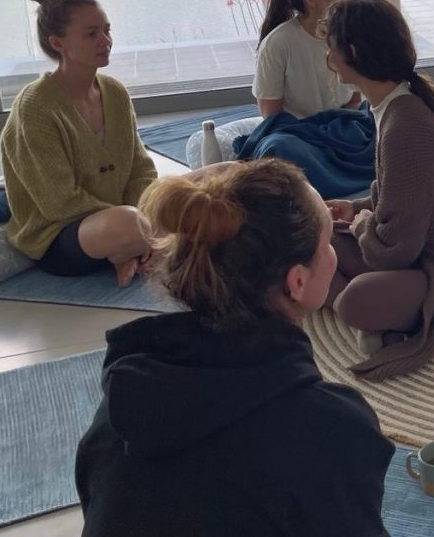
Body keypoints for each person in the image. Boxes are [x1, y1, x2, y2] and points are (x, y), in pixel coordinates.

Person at [76, 160, 393, 537]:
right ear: (297, 281)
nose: (333, 250)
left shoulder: (122, 406)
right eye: (327, 241)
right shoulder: (332, 427)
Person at [322, 0, 434, 380]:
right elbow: (407, 198)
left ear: (354, 51)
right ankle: (386, 317)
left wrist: (361, 222)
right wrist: (356, 207)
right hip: (413, 252)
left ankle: (376, 313)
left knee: (354, 301)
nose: (327, 58)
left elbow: (395, 250)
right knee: (317, 235)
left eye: (331, 48)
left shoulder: (405, 124)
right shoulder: (392, 106)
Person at [1, 0, 156, 286]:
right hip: (61, 235)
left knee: (202, 191)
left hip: (122, 219)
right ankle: (135, 246)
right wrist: (141, 223)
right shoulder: (35, 106)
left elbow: (141, 168)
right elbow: (58, 203)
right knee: (129, 224)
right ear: (57, 43)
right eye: (91, 34)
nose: (105, 41)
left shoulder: (114, 92)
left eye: (107, 30)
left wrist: (147, 212)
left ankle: (131, 250)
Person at [253, 0, 362, 118]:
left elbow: (355, 100)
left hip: (344, 123)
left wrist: (340, 126)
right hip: (297, 130)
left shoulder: (349, 35)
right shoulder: (277, 43)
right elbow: (271, 115)